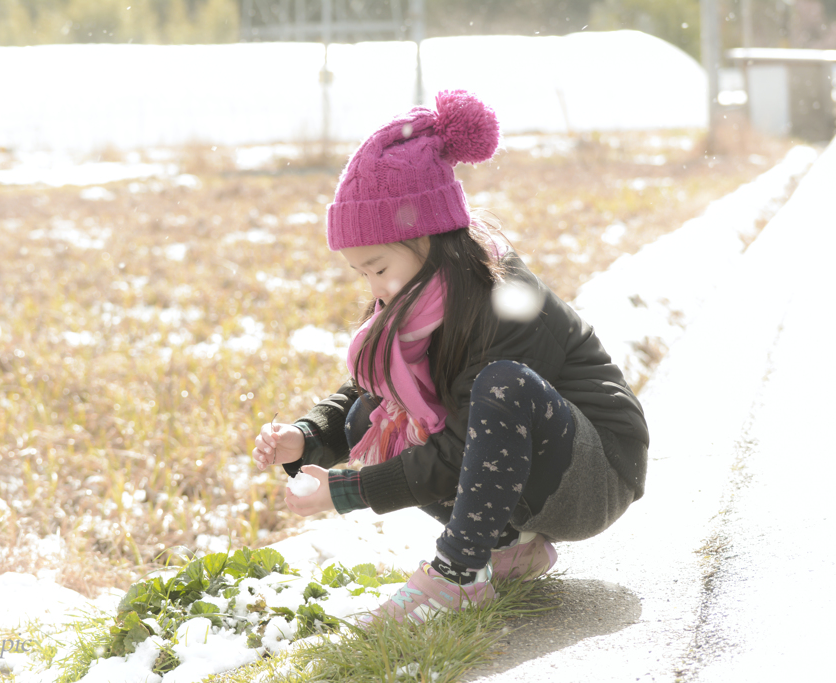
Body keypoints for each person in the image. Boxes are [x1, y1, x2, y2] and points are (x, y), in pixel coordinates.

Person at [251, 90, 649, 624]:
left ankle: (458, 575)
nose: (375, 288)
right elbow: (372, 391)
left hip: (596, 472)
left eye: (379, 267)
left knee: (500, 386)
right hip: (535, 470)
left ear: (432, 241)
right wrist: (307, 437)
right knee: (370, 413)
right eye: (361, 274)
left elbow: (462, 447)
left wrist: (349, 491)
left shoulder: (503, 304)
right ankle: (510, 546)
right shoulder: (415, 299)